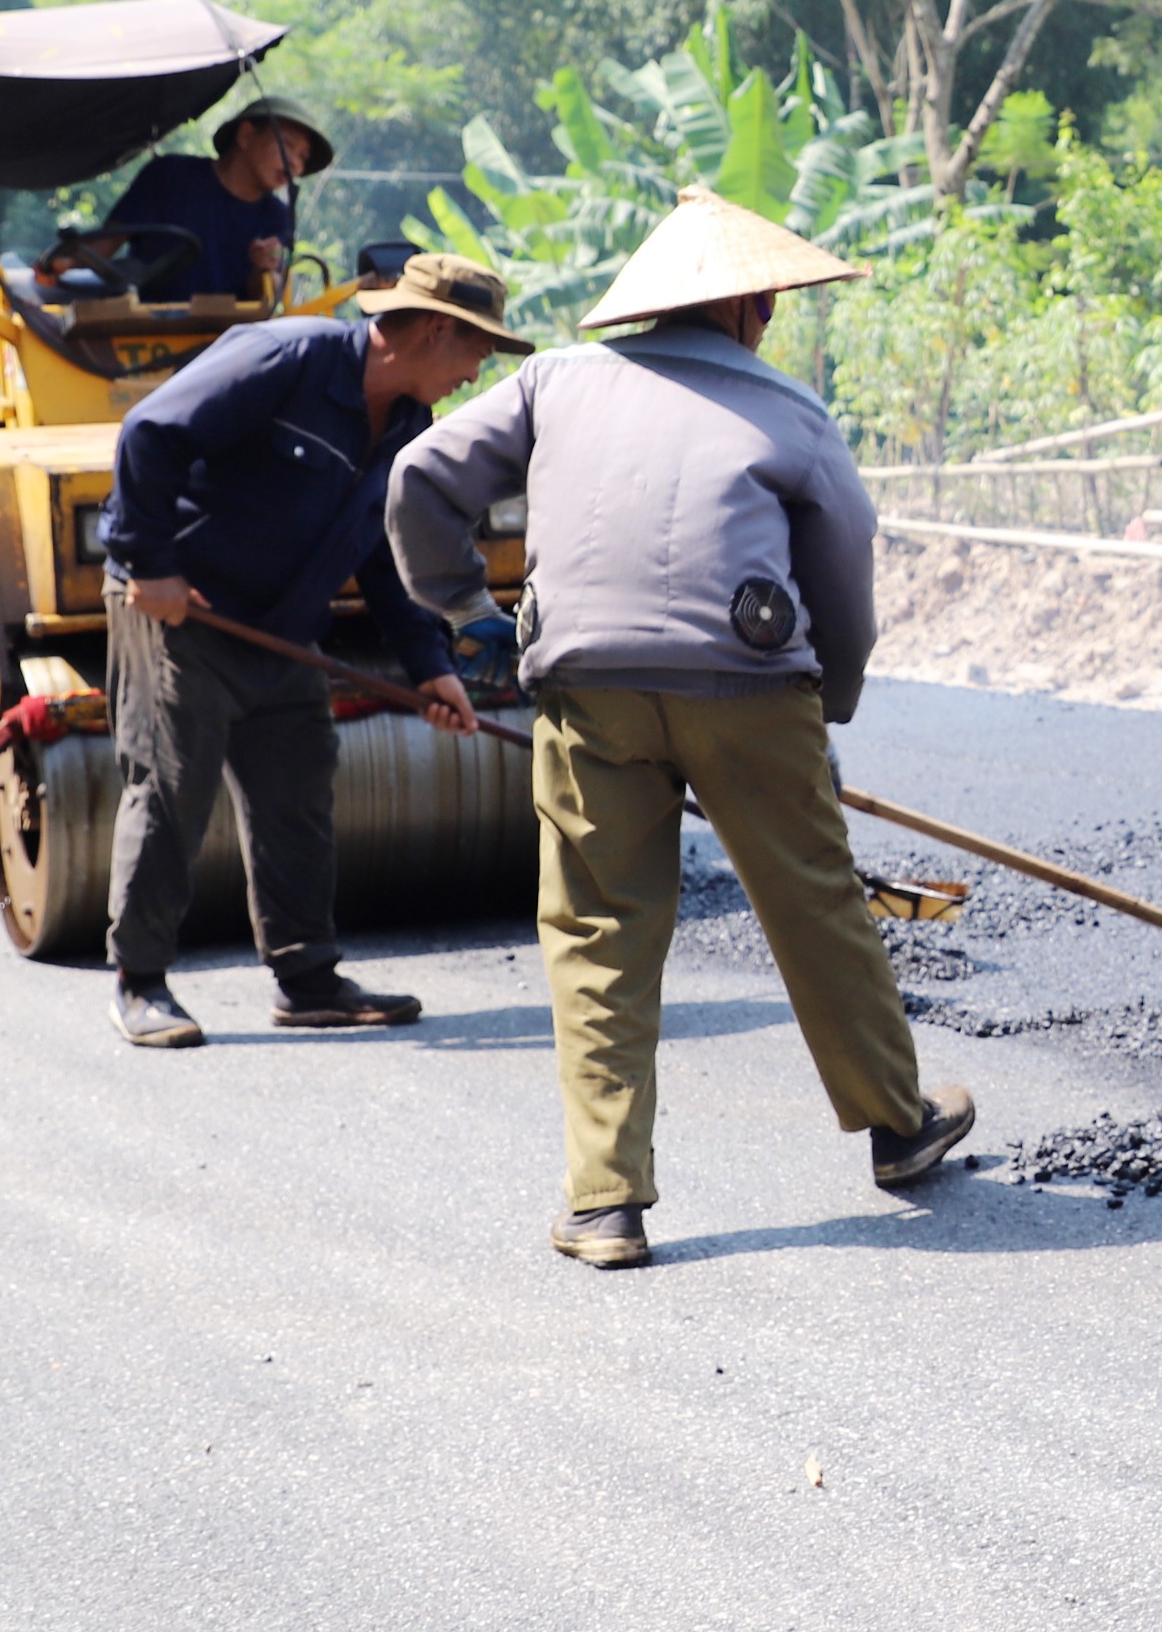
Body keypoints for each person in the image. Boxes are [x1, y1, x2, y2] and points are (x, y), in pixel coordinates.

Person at [384, 186, 975, 1271]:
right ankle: (899, 1129)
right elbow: (843, 566)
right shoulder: (792, 413)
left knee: (600, 931)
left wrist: (464, 608)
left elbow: (421, 476)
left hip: (584, 686)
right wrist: (825, 702)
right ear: (751, 306)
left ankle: (606, 1204)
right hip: (750, 685)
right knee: (816, 905)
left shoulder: (554, 381)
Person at [96, 249, 525, 1049]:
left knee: (298, 791)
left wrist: (432, 668)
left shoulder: (403, 425)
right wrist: (150, 564)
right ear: (435, 331)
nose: (477, 372)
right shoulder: (285, 358)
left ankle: (307, 979)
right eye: (476, 350)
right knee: (171, 788)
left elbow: (386, 558)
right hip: (186, 615)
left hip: (281, 629)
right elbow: (148, 433)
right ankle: (139, 981)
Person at [101, 94, 337, 303]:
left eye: (303, 157)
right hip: (139, 335)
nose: (295, 163)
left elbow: (266, 297)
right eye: (288, 145)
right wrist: (68, 264)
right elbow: (102, 247)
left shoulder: (276, 215)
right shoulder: (169, 174)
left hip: (226, 342)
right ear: (245, 136)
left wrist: (263, 270)